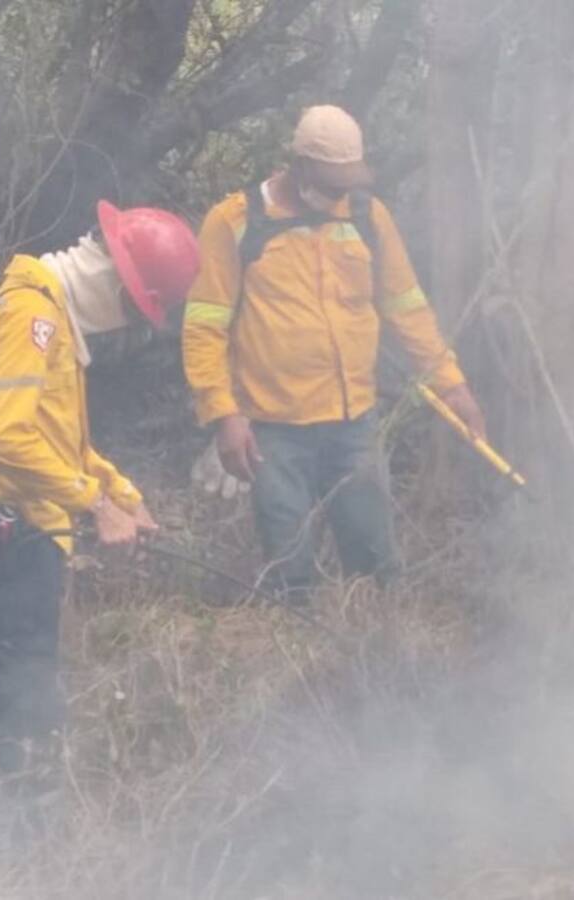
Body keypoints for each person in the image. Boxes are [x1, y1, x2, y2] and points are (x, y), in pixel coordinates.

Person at [0, 200, 200, 817]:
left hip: (20, 534)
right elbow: (7, 437)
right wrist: (92, 504)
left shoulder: (48, 315)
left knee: (9, 697)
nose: (129, 321)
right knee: (1, 707)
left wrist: (120, 493)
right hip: (6, 536)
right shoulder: (33, 316)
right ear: (114, 282)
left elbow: (61, 443)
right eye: (137, 305)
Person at [182, 105, 487, 603]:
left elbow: (407, 308)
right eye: (330, 184)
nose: (339, 196)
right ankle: (297, 651)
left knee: (374, 564)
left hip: (354, 424)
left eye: (347, 185)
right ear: (298, 167)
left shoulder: (368, 217)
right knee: (289, 569)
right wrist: (223, 414)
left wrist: (452, 385)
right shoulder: (236, 222)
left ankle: (373, 646)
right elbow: (204, 328)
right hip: (273, 431)